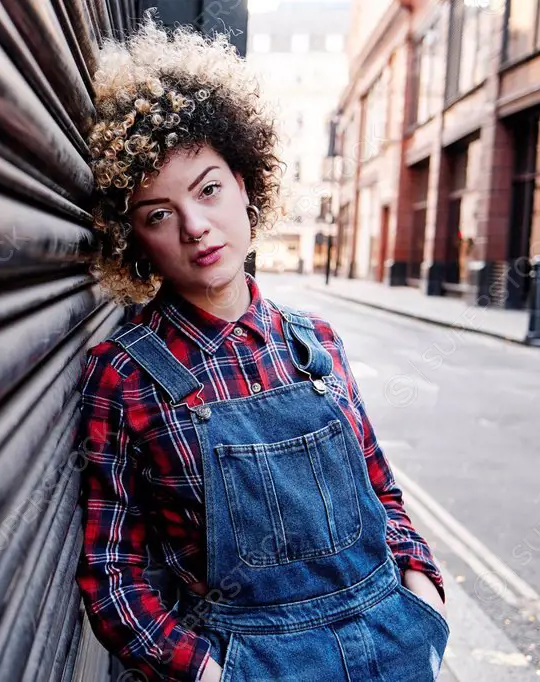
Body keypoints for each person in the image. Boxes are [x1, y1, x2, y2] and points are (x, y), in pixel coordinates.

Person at [75, 17, 449, 682]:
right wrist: (208, 674)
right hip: (252, 662)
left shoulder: (315, 343)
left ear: (247, 184)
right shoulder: (126, 376)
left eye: (209, 188)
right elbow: (112, 573)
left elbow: (381, 493)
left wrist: (424, 596)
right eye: (158, 213)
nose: (195, 227)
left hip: (392, 646)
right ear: (133, 238)